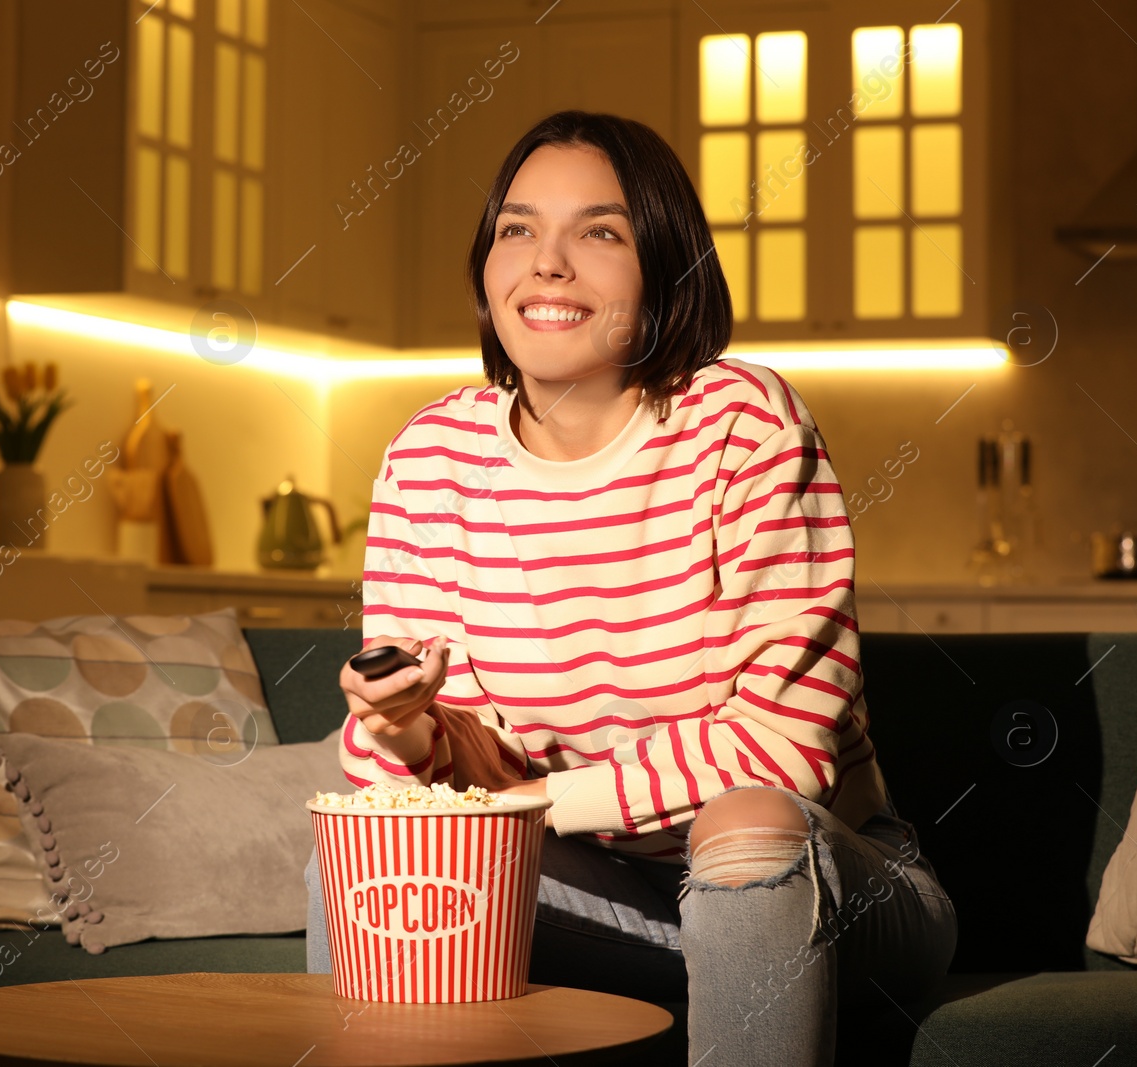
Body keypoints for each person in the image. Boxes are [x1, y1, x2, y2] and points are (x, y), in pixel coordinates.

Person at [305, 110, 957, 1066]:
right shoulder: (430, 456)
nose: (548, 262)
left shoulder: (743, 425)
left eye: (599, 232)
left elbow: (784, 748)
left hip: (821, 894)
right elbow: (441, 782)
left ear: (666, 265)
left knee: (744, 823)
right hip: (597, 894)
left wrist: (525, 799)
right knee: (370, 853)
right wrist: (406, 729)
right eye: (518, 229)